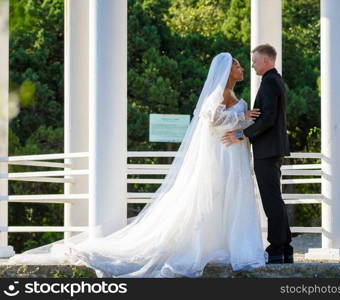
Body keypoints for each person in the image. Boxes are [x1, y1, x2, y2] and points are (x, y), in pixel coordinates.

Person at [10, 53, 267, 278]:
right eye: (237, 65)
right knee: (214, 198)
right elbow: (210, 118)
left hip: (233, 154)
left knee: (230, 199)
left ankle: (228, 243)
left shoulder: (233, 94)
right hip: (220, 156)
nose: (242, 68)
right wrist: (241, 116)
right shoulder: (219, 93)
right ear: (225, 70)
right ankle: (206, 244)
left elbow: (231, 123)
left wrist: (243, 126)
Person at [221, 44, 293, 264]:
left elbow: (268, 118)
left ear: (267, 61)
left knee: (271, 200)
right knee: (274, 199)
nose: (251, 64)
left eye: (254, 60)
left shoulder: (270, 81)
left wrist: (241, 134)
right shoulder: (272, 80)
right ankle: (285, 248)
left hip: (268, 150)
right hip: (270, 149)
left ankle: (276, 248)